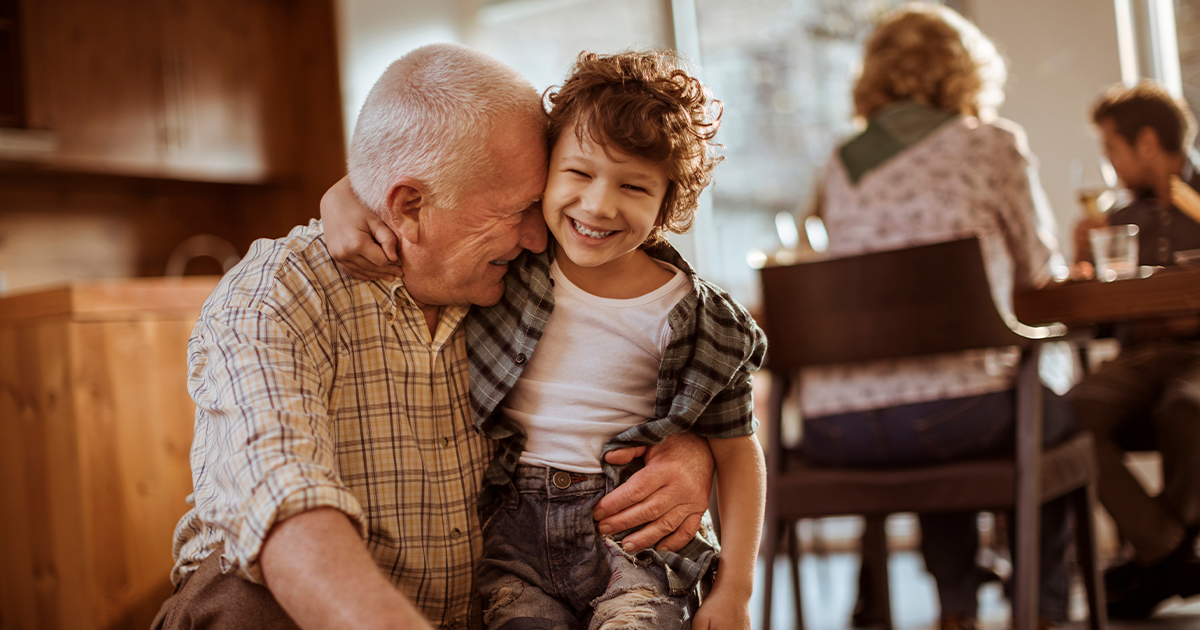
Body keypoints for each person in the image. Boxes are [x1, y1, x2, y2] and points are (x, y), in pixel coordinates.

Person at [153, 43, 716, 630]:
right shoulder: (276, 297)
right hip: (298, 613)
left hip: (483, 608)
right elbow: (287, 510)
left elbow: (674, 339)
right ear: (410, 207)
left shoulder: (511, 287)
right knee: (246, 605)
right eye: (518, 209)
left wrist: (690, 441)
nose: (536, 236)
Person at [322, 50, 767, 630]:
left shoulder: (702, 320)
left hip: (632, 543)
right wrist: (342, 197)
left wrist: (734, 590)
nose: (598, 204)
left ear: (668, 203)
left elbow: (740, 454)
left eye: (634, 186)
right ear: (546, 169)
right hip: (515, 544)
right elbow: (420, 194)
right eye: (579, 173)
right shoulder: (512, 262)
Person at [795, 5, 1076, 630]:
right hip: (954, 414)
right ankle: (1046, 612)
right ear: (964, 72)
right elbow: (1038, 271)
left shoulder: (839, 163)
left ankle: (956, 611)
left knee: (934, 411)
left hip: (837, 426)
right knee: (1048, 416)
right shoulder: (992, 143)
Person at [1068, 80, 1200, 619]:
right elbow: (1098, 325)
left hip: (1197, 358)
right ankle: (1168, 553)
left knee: (1187, 410)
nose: (1112, 167)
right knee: (1060, 419)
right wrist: (1084, 278)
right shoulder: (1116, 225)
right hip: (1136, 359)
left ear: (1147, 143)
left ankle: (1156, 562)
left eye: (1112, 151)